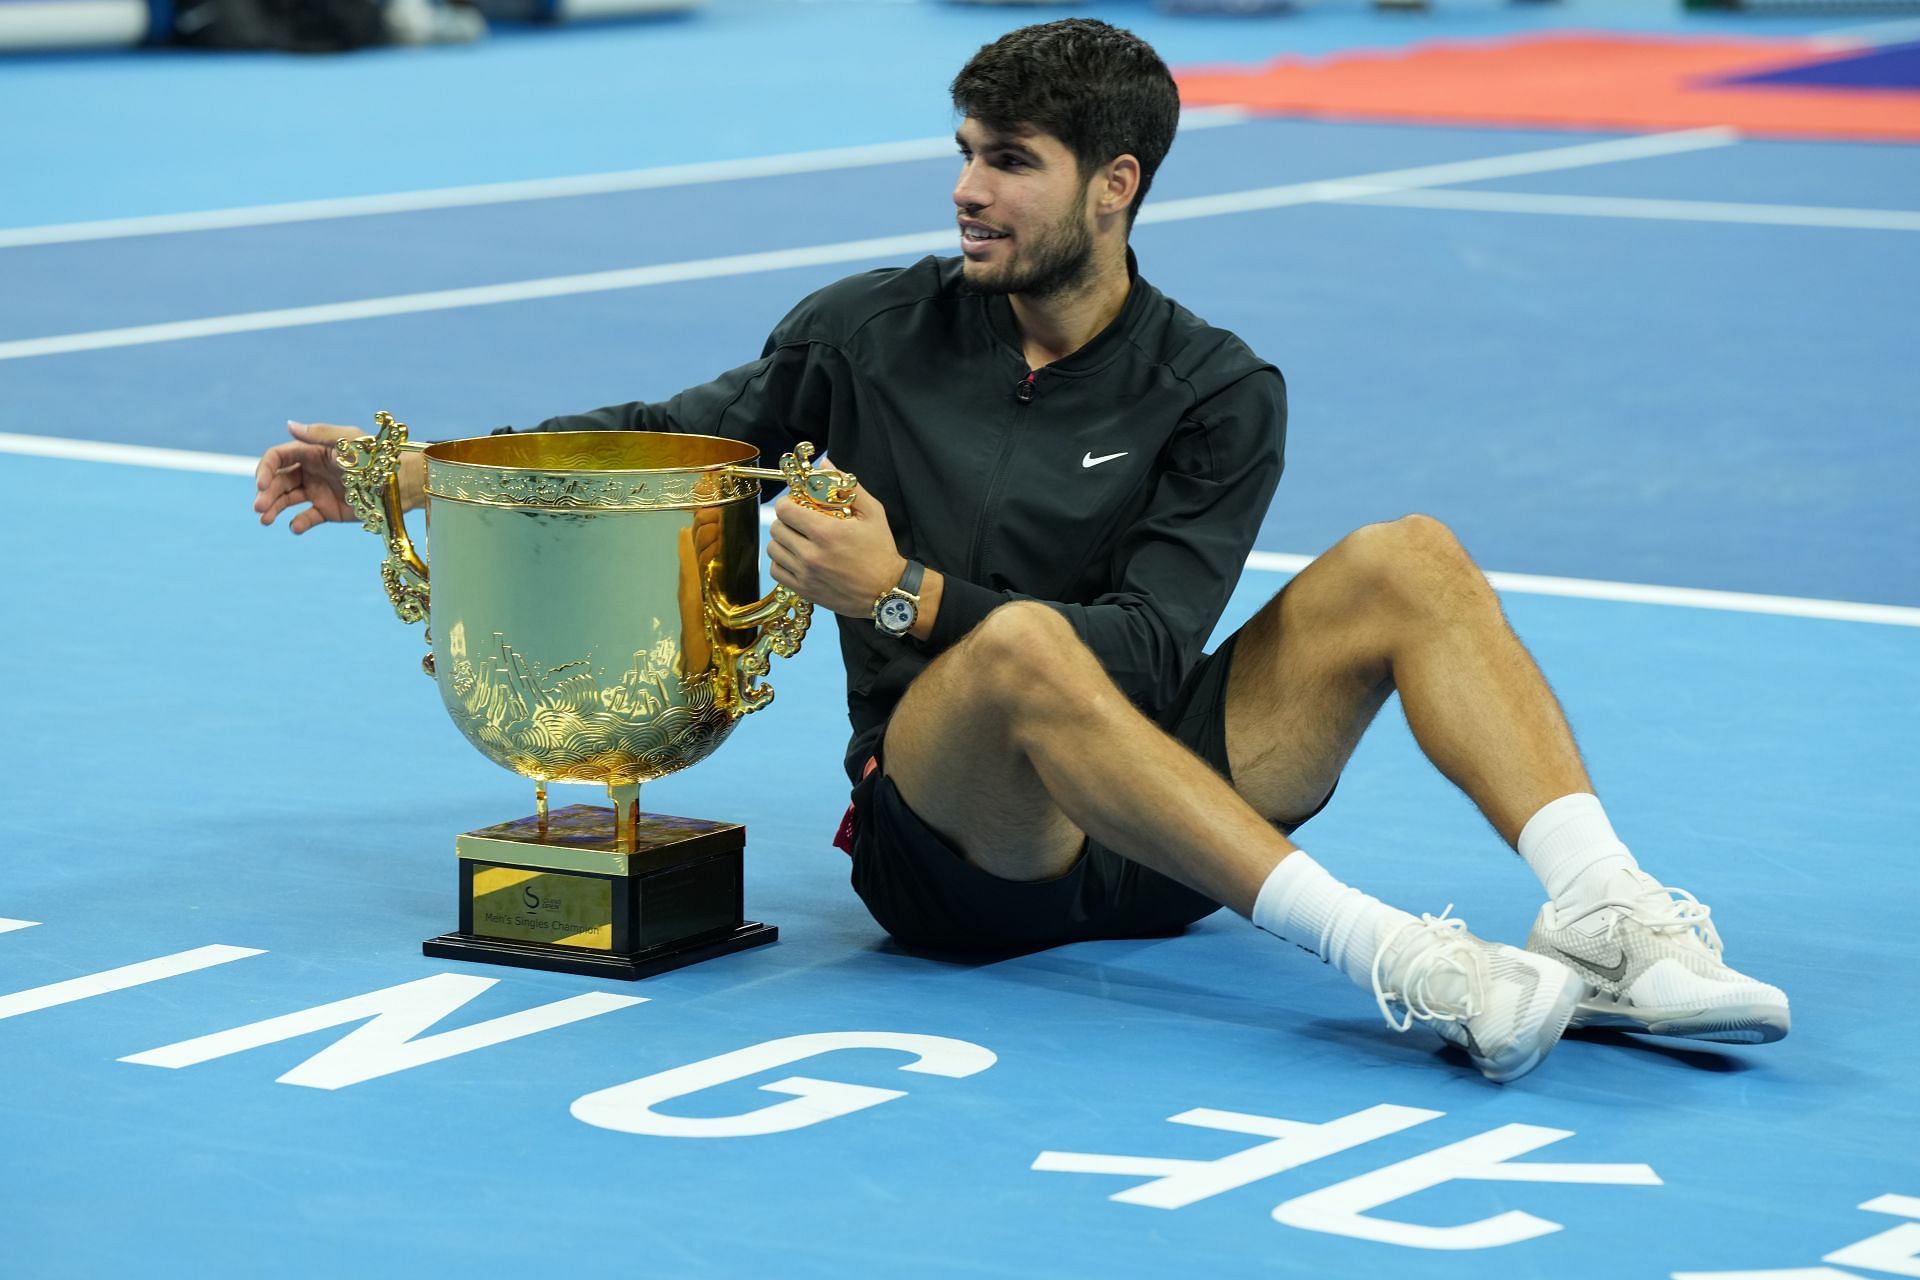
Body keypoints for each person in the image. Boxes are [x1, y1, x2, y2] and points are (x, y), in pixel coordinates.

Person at [253, 18, 1788, 1082]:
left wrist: (905, 588)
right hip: (963, 855)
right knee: (1019, 646)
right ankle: (1405, 959)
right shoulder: (867, 331)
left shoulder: (1217, 387)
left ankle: (1607, 912)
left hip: (1156, 829)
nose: (966, 188)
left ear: (1114, 189)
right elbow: (669, 433)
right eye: (967, 150)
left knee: (1411, 558)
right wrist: (404, 475)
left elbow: (1157, 648)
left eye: (1012, 161)